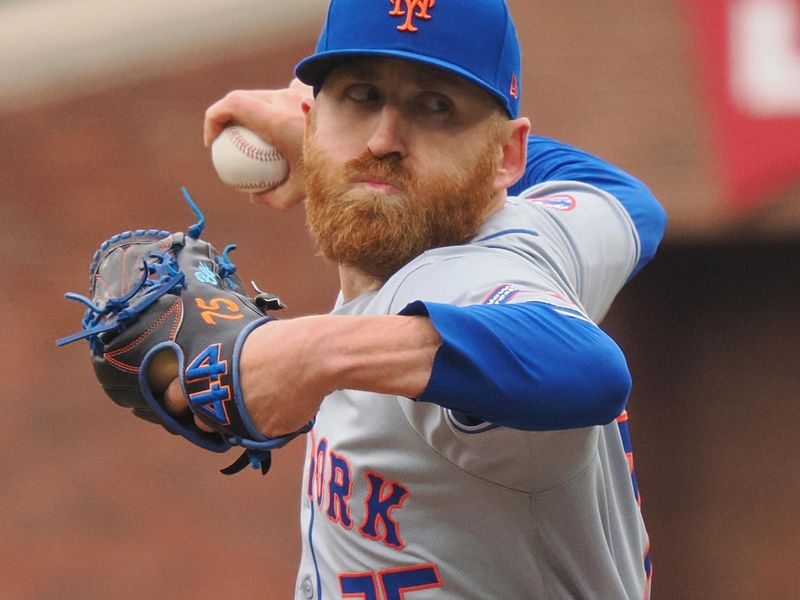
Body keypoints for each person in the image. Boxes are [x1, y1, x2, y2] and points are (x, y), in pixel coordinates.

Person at [166, 0, 666, 598]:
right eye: (360, 95)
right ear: (309, 122)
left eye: (436, 106)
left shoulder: (461, 284)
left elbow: (588, 370)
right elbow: (626, 198)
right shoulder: (535, 232)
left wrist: (310, 354)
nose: (383, 140)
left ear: (507, 157)